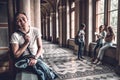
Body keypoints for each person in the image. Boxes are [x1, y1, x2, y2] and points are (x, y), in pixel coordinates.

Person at [10, 12, 59, 80]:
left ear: (28, 19)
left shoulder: (35, 30)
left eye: (23, 19)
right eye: (18, 20)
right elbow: (16, 55)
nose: (22, 22)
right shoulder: (15, 35)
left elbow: (40, 47)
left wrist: (35, 58)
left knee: (43, 70)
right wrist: (26, 43)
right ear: (16, 23)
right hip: (24, 59)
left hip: (36, 57)